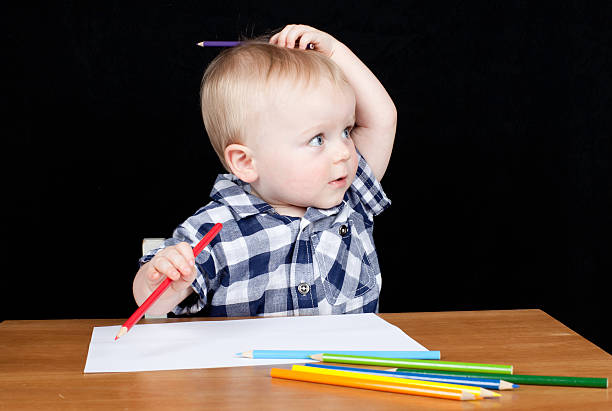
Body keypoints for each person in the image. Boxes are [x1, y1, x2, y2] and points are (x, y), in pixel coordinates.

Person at [133, 24, 397, 317]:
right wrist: (163, 279)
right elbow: (153, 303)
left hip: (345, 363)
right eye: (317, 139)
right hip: (251, 364)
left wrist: (335, 51)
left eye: (346, 131)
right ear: (246, 163)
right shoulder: (218, 228)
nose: (344, 151)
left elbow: (383, 118)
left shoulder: (349, 195)